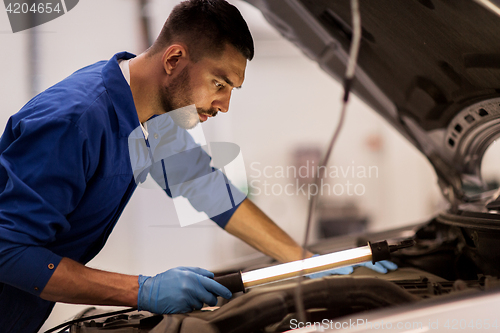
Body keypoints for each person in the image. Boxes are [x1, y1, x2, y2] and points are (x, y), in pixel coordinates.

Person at [0, 0, 394, 332]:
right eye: (219, 84)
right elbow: (8, 250)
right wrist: (144, 290)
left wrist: (304, 260)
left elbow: (206, 187)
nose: (223, 106)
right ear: (174, 59)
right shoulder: (76, 119)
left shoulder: (150, 117)